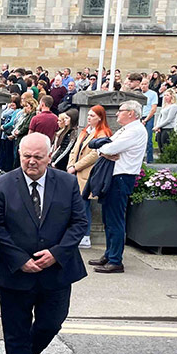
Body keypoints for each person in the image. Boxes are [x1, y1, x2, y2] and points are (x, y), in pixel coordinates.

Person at [0, 133, 87, 354]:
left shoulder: (67, 183)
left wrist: (56, 254)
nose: (31, 162)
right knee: (15, 329)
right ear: (19, 154)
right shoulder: (1, 185)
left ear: (49, 157)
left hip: (56, 272)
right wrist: (20, 259)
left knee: (51, 323)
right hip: (16, 273)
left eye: (37, 157)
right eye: (26, 156)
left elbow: (78, 223)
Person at [90, 100, 149, 274]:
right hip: (115, 176)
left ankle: (115, 259)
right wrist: (103, 149)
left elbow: (110, 147)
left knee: (115, 219)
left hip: (122, 177)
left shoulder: (136, 130)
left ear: (131, 113)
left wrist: (104, 150)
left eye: (120, 110)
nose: (117, 113)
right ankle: (109, 254)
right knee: (108, 218)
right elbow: (101, 144)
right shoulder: (126, 129)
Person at [67, 105, 112, 249]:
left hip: (87, 172)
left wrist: (76, 166)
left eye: (92, 116)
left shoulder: (102, 133)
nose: (89, 118)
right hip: (75, 171)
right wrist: (70, 165)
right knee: (75, 203)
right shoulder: (85, 131)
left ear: (100, 117)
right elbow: (75, 149)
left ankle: (85, 236)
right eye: (89, 115)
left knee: (83, 204)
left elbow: (94, 155)